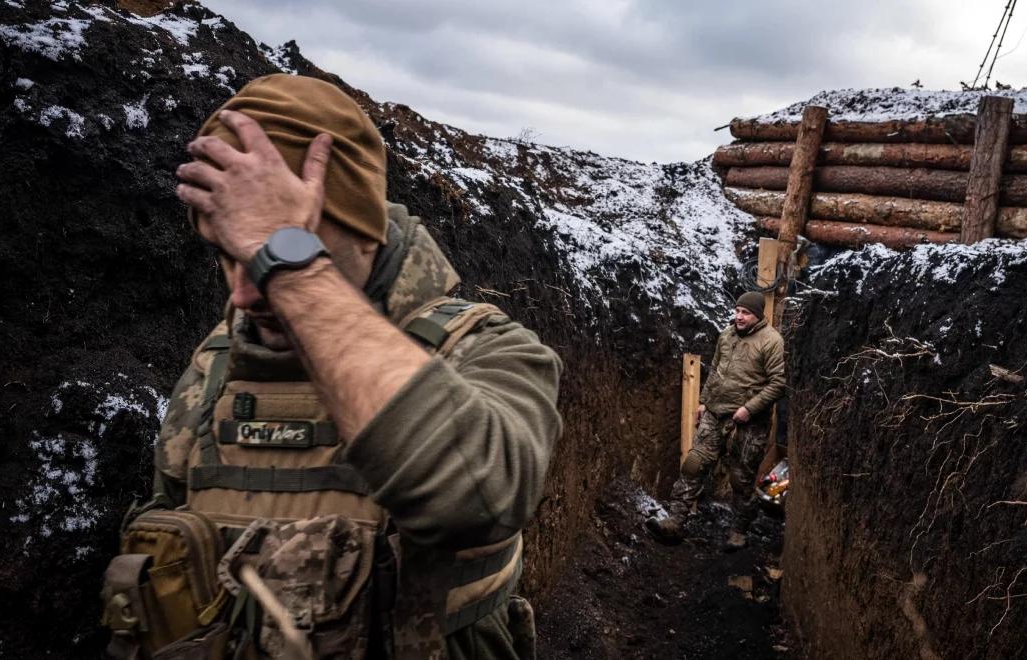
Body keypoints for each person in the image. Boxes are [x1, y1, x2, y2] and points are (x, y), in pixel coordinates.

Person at [114, 74, 562, 659]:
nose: (246, 294)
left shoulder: (490, 349)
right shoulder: (214, 368)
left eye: (287, 244)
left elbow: (478, 495)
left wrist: (290, 264)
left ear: (364, 231)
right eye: (231, 252)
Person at [647, 291, 787, 551]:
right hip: (715, 412)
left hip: (748, 423)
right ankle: (675, 521)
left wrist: (749, 408)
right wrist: (703, 401)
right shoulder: (727, 335)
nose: (739, 316)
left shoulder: (771, 341)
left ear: (758, 315)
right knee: (694, 464)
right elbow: (716, 371)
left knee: (740, 479)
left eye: (745, 312)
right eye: (737, 311)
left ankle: (739, 531)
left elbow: (778, 383)